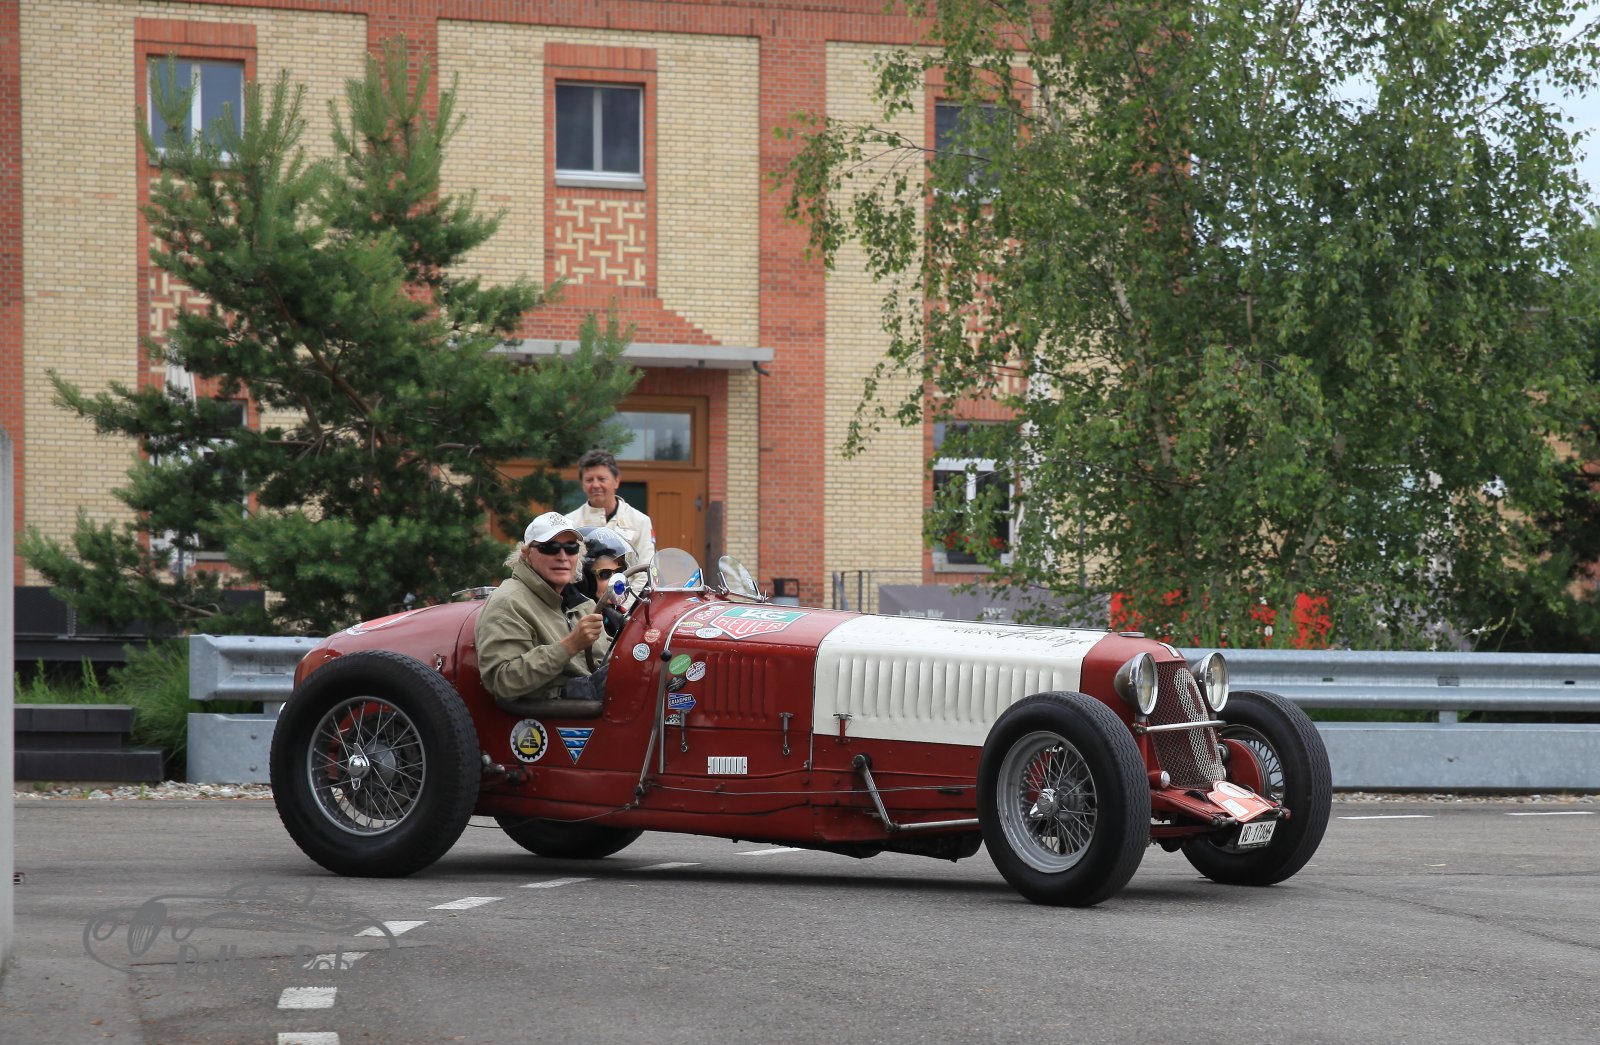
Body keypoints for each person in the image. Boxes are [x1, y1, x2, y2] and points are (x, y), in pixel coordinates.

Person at [475, 511, 611, 709]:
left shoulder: (584, 604)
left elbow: (609, 662)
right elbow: (502, 680)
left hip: (596, 704)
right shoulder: (508, 602)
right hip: (556, 712)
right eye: (550, 548)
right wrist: (570, 645)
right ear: (526, 554)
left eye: (571, 548)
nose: (562, 557)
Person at [564, 448, 655, 571]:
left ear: (616, 481)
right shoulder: (570, 522)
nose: (595, 485)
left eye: (602, 479)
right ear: (582, 484)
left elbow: (646, 569)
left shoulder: (640, 521)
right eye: (589, 480)